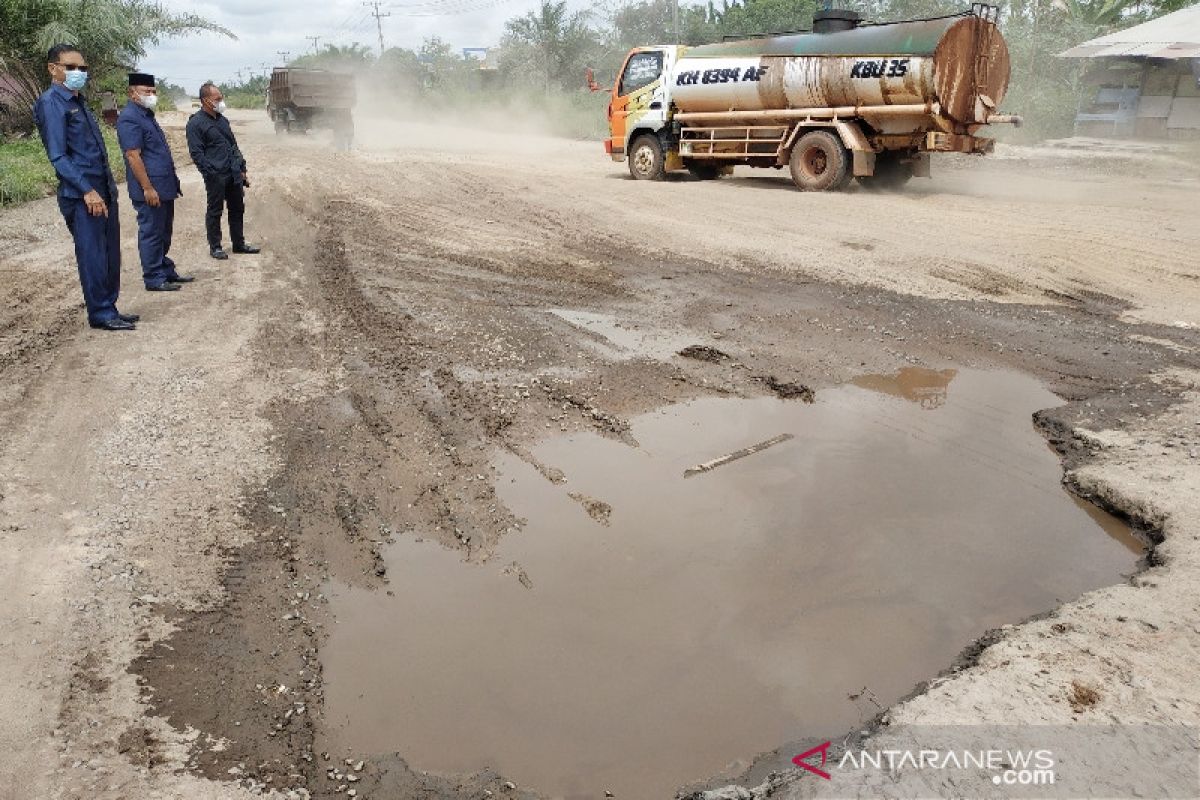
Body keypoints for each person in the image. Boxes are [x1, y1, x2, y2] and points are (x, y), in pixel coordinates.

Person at [33, 44, 136, 331]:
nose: (78, 73)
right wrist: (86, 190)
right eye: (71, 67)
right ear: (53, 68)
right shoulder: (52, 102)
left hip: (102, 191)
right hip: (82, 195)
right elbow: (58, 155)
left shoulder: (79, 101)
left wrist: (106, 190)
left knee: (109, 253)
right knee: (92, 254)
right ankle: (100, 313)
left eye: (83, 68)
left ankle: (110, 307)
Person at [116, 72, 193, 292]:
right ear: (132, 93)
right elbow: (133, 155)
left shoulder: (146, 114)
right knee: (151, 231)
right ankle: (154, 277)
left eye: (153, 91)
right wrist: (147, 188)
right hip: (150, 189)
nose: (151, 95)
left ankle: (164, 269)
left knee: (163, 231)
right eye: (146, 91)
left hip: (164, 186)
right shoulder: (130, 117)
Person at [185, 82, 260, 260]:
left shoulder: (222, 120)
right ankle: (216, 247)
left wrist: (242, 168)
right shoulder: (195, 124)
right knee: (215, 211)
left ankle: (239, 244)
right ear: (205, 100)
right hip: (215, 175)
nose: (221, 101)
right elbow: (197, 153)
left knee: (237, 208)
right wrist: (210, 173)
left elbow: (233, 145)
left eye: (221, 97)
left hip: (233, 173)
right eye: (217, 99)